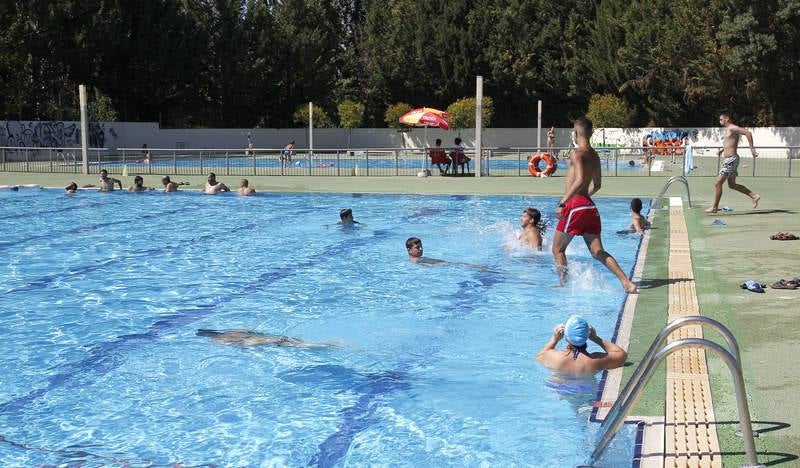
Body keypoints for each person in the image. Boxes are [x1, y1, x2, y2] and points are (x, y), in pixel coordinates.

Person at [552, 117, 637, 293]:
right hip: (589, 207)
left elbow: (581, 179)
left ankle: (563, 285)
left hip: (575, 205)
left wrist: (564, 202)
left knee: (557, 249)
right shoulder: (595, 155)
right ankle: (626, 282)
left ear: (575, 133)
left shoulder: (577, 153)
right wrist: (583, 199)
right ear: (590, 133)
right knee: (598, 251)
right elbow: (597, 184)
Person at [705, 112, 761, 213]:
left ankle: (714, 207)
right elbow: (729, 143)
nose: (720, 121)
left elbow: (748, 133)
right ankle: (754, 196)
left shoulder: (732, 128)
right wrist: (722, 150)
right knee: (732, 185)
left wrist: (752, 149)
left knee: (718, 183)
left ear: (727, 119)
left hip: (731, 159)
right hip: (730, 159)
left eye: (721, 119)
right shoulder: (728, 130)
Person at [535, 315, 627, 374]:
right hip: (587, 391)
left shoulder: (555, 357)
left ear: (566, 336)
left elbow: (539, 357)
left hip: (560, 392)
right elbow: (621, 354)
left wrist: (554, 339)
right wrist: (596, 338)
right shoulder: (595, 360)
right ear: (587, 336)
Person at [197, 329, 335, 349]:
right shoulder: (233, 330)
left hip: (267, 342)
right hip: (271, 337)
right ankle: (329, 343)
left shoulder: (216, 340)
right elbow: (252, 331)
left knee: (305, 346)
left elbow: (240, 344)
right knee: (301, 342)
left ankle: (328, 345)